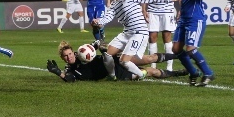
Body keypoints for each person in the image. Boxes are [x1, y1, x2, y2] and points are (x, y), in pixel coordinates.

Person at [91, 0, 180, 80]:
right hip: (127, 33)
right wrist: (98, 22)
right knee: (107, 54)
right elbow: (107, 18)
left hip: (139, 32)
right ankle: (112, 77)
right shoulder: (113, 5)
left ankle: (141, 74)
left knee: (123, 61)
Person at [156, 0, 221, 86]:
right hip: (183, 19)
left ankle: (208, 73)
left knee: (191, 49)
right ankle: (193, 72)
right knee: (176, 49)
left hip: (195, 19)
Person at [47, 40, 188, 82]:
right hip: (118, 74)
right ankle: (179, 73)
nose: (69, 57)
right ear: (62, 58)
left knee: (148, 58)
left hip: (116, 60)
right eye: (65, 56)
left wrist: (99, 44)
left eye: (70, 54)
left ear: (73, 52)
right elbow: (70, 79)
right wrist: (58, 72)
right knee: (151, 71)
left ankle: (180, 55)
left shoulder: (83, 52)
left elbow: (94, 45)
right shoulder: (69, 70)